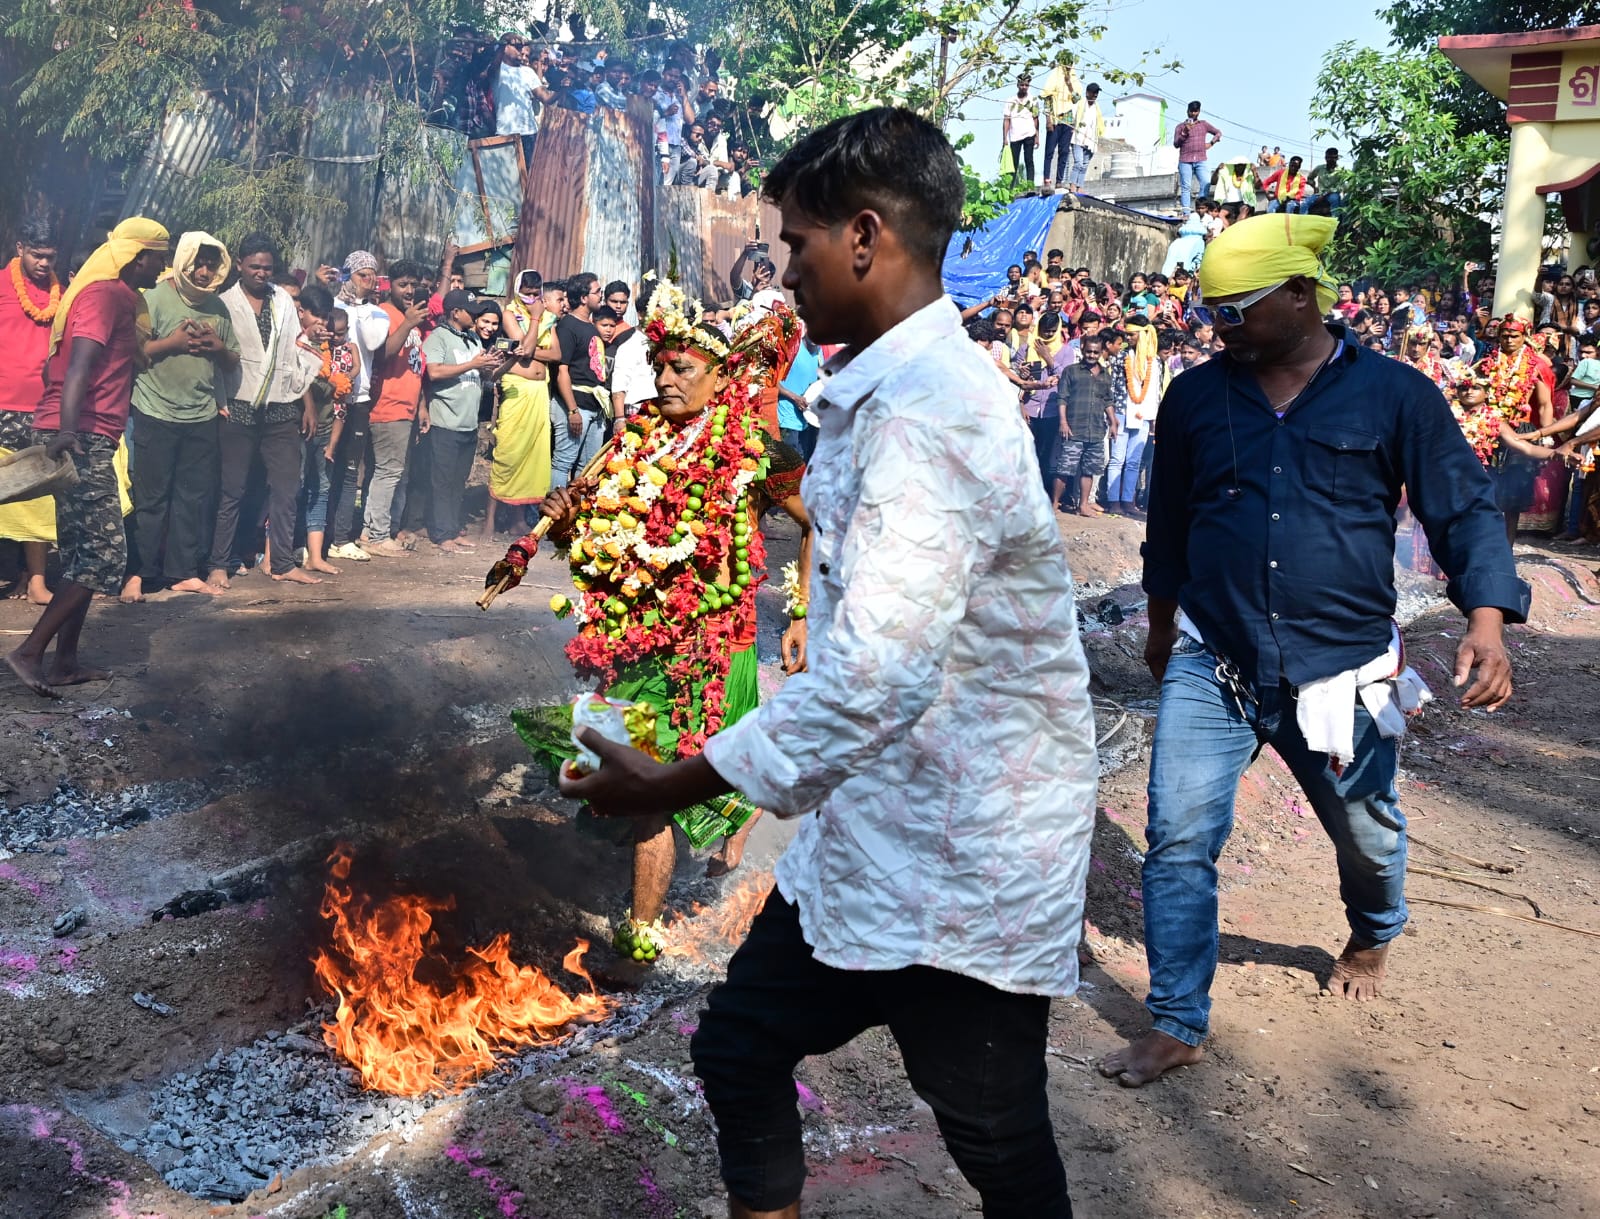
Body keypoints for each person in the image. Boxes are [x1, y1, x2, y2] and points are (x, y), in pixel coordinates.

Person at [556, 107, 1092, 1219]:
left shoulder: (928, 413)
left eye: (795, 244)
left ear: (863, 236)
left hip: (967, 857)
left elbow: (870, 683)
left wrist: (667, 784)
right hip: (875, 831)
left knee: (995, 1135)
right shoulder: (888, 389)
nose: (784, 272)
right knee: (739, 1042)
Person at [1098, 214, 1530, 1089]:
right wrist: (1160, 627)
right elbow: (1169, 527)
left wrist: (1486, 619)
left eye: (1235, 310)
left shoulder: (1397, 396)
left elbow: (1462, 507)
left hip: (1342, 673)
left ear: (1300, 294)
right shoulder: (1195, 397)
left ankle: (1373, 933)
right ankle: (1176, 1018)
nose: (1217, 327)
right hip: (1214, 658)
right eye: (1210, 311)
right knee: (1178, 836)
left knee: (1366, 835)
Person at [494, 283, 813, 958]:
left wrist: (801, 613)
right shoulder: (633, 441)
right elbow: (594, 537)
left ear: (720, 376)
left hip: (709, 651)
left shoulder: (759, 451)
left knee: (651, 794)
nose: (665, 380)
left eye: (681, 369)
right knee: (608, 771)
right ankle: (717, 823)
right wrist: (560, 525)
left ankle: (639, 943)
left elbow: (819, 524)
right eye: (660, 367)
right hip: (635, 640)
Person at [6, 218, 170, 699]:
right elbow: (78, 363)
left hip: (83, 431)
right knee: (104, 553)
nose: (163, 267)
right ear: (138, 256)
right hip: (82, 435)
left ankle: (65, 662)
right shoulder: (106, 295)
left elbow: (53, 367)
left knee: (81, 552)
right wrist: (67, 430)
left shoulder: (109, 295)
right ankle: (30, 652)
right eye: (160, 257)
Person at [126, 231, 238, 600]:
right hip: (154, 411)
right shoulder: (153, 299)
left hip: (201, 415)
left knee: (191, 498)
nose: (204, 272)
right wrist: (171, 343)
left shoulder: (217, 308)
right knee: (150, 499)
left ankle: (183, 572)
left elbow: (232, 359)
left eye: (210, 265)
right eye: (198, 264)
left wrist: (218, 347)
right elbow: (135, 353)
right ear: (183, 261)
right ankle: (139, 573)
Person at [209, 234, 321, 587]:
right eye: (254, 266)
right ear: (239, 264)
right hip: (237, 406)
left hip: (280, 408)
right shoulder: (224, 303)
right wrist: (219, 401)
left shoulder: (283, 301)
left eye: (267, 268)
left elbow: (293, 351)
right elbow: (216, 361)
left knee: (286, 489)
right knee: (233, 490)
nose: (261, 273)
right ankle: (218, 563)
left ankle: (283, 563)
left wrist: (304, 400)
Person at [0, 216, 63, 606]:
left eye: (50, 257)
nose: (43, 263)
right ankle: (13, 573)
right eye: (37, 255)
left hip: (44, 407)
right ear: (20, 248)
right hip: (2, 404)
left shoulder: (62, 293)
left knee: (37, 494)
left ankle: (37, 580)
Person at [420, 291, 507, 553]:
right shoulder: (439, 337)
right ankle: (441, 534)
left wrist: (491, 365)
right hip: (445, 422)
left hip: (468, 423)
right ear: (455, 312)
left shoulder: (472, 338)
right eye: (471, 311)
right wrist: (472, 364)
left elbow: (484, 375)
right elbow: (434, 372)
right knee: (442, 481)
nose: (475, 316)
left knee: (459, 481)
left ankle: (453, 529)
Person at [326, 250, 391, 562]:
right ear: (347, 275)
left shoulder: (377, 313)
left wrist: (358, 307)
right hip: (329, 396)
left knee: (350, 470)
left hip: (359, 398)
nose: (368, 280)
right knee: (322, 468)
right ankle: (313, 536)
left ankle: (340, 538)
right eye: (361, 275)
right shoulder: (331, 306)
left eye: (372, 275)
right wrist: (343, 303)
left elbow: (372, 342)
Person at [361, 259, 429, 557]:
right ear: (390, 285)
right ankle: (376, 536)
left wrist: (422, 406)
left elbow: (416, 366)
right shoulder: (384, 314)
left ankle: (378, 530)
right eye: (403, 285)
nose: (410, 290)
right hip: (387, 406)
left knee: (395, 473)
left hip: (408, 408)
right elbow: (383, 354)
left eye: (414, 284)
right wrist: (408, 323)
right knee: (388, 472)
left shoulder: (409, 315)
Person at [483, 269, 556, 542]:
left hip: (539, 391)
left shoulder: (548, 316)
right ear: (517, 291)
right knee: (508, 454)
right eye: (527, 293)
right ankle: (489, 522)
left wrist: (533, 345)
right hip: (517, 390)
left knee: (531, 459)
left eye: (536, 293)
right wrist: (535, 318)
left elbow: (556, 353)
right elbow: (523, 350)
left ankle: (517, 521)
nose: (532, 298)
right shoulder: (510, 314)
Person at [1474, 315, 1554, 541]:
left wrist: (1546, 434)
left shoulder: (1535, 365)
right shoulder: (1488, 361)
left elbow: (1545, 404)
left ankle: (1507, 546)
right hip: (1488, 429)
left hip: (1521, 430)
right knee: (1485, 486)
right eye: (1505, 335)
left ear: (1524, 337)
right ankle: (1484, 541)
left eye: (1514, 336)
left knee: (1514, 494)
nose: (1509, 340)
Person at [551, 272, 609, 487]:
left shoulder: (590, 326)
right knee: (563, 462)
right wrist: (572, 410)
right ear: (584, 298)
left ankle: (578, 506)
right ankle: (554, 507)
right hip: (576, 405)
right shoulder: (568, 326)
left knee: (588, 466)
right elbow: (562, 371)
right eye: (597, 291)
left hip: (594, 406)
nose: (601, 295)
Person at [1054, 331, 1117, 513]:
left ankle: (1083, 505)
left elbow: (1108, 401)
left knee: (1089, 470)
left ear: (1101, 352)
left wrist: (1113, 422)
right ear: (1082, 349)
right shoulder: (1071, 371)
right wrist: (1063, 422)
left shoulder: (1105, 374)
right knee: (1065, 469)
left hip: (1096, 430)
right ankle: (1054, 504)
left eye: (1095, 352)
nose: (1091, 355)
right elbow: (1062, 398)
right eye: (1089, 351)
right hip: (1074, 428)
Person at [1038, 58, 1080, 190]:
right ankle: (1046, 180)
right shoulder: (1054, 76)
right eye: (1066, 63)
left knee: (1064, 151)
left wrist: (1069, 84)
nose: (1068, 66)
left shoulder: (1073, 78)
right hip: (1054, 119)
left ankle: (1059, 181)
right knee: (1049, 151)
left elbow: (1076, 99)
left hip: (1067, 120)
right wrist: (1048, 119)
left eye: (1070, 63)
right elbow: (1047, 97)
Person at [1174, 100, 1221, 213]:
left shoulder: (1203, 124)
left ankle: (1201, 208)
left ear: (1199, 112)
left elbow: (1218, 133)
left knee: (1206, 183)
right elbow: (1176, 144)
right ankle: (1186, 212)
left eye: (1195, 111)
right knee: (1186, 187)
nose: (1193, 113)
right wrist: (1185, 132)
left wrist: (1211, 143)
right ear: (1187, 111)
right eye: (1191, 111)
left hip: (1201, 159)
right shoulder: (1180, 127)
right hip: (1185, 160)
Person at [1002, 74, 1040, 187]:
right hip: (1015, 136)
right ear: (1018, 85)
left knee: (1029, 160)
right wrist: (1004, 138)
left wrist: (1037, 136)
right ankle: (1010, 188)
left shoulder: (1033, 100)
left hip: (1029, 133)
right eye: (1022, 85)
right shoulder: (1011, 101)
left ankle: (1030, 186)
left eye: (1026, 85)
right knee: (1013, 163)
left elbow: (1036, 119)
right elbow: (1006, 120)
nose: (1024, 87)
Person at [1067, 83, 1104, 194]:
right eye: (1094, 92)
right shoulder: (1080, 103)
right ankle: (1072, 185)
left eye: (1097, 93)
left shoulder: (1096, 108)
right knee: (1078, 163)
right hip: (1078, 138)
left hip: (1090, 141)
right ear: (1088, 93)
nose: (1095, 95)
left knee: (1085, 165)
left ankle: (1080, 187)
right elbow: (1072, 116)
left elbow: (1098, 124)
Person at [1306, 147, 1344, 215]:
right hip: (1319, 193)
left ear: (1336, 158)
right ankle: (1301, 220)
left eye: (1332, 158)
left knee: (1335, 200)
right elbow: (1310, 178)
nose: (1329, 160)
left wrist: (1325, 194)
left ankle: (1335, 220)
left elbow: (1341, 187)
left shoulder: (1341, 171)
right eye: (1327, 157)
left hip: (1332, 194)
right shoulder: (1319, 168)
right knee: (1305, 203)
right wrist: (1314, 187)